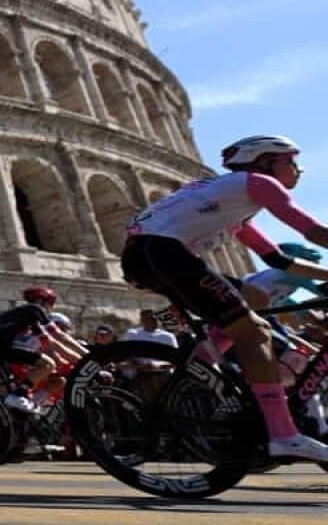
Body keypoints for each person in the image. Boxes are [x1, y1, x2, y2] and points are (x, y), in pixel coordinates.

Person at [122, 135, 328, 461]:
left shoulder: (231, 198)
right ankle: (283, 435)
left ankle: (204, 362)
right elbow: (312, 230)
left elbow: (278, 261)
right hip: (163, 252)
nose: (298, 168)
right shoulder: (258, 182)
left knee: (256, 295)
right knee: (255, 332)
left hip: (148, 256)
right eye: (289, 160)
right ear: (264, 161)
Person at [0, 286, 86, 415]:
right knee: (47, 364)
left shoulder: (27, 317)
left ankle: (27, 402)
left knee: (47, 367)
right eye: (51, 304)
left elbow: (50, 343)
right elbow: (60, 336)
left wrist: (77, 357)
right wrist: (87, 355)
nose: (50, 309)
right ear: (42, 302)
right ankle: (19, 395)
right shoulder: (35, 309)